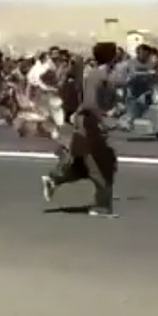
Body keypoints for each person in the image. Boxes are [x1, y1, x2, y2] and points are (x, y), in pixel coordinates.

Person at [42, 42, 119, 217]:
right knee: (101, 166)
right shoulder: (95, 75)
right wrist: (104, 120)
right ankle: (101, 206)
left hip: (92, 125)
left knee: (89, 164)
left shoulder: (104, 75)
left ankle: (55, 178)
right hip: (89, 125)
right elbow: (90, 104)